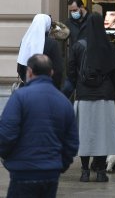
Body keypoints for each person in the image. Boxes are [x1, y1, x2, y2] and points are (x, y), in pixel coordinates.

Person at [0, 54, 79, 198]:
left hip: (22, 171)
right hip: (51, 172)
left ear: (29, 72)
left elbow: (6, 135)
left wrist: (7, 158)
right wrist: (60, 165)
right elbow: (72, 142)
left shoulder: (19, 97)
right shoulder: (63, 101)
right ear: (51, 73)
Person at [67, 13, 115, 182]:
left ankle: (84, 171)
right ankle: (100, 171)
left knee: (84, 133)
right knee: (102, 134)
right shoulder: (108, 46)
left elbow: (70, 71)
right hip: (104, 96)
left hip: (83, 96)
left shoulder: (78, 46)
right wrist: (112, 88)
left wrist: (79, 85)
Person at [17, 14, 63, 89]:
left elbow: (20, 67)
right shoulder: (52, 44)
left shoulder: (25, 41)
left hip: (27, 87)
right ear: (47, 26)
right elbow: (58, 71)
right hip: (47, 89)